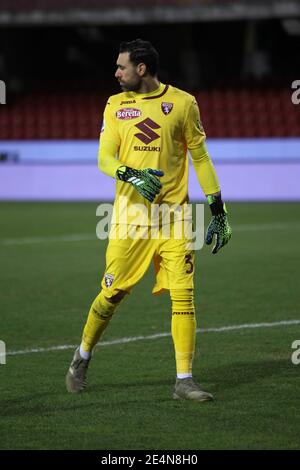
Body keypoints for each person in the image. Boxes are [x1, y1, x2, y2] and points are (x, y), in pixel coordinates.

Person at [66, 39, 232, 402]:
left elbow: (200, 158)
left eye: (121, 66)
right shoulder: (115, 105)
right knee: (112, 295)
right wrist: (128, 173)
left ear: (141, 69)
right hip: (130, 219)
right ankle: (82, 356)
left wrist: (218, 209)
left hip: (175, 218)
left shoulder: (184, 104)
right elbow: (104, 158)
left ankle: (184, 379)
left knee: (184, 295)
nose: (116, 73)